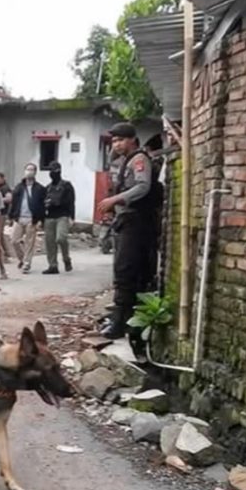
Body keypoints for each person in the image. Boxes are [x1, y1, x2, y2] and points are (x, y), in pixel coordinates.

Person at [97, 122, 160, 339]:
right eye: (114, 140)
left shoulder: (139, 159)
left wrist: (115, 199)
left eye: (120, 140)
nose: (117, 144)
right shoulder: (124, 161)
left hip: (138, 221)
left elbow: (143, 187)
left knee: (127, 271)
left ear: (132, 139)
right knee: (124, 271)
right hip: (127, 220)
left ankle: (122, 323)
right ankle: (122, 319)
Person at [9, 162, 46, 274]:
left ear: (35, 172)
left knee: (30, 242)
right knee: (14, 240)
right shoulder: (19, 187)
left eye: (32, 169)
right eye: (27, 169)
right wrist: (11, 216)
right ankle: (22, 259)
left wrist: (41, 220)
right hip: (19, 217)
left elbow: (42, 205)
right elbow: (14, 202)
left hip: (32, 218)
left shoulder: (39, 188)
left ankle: (27, 263)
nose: (29, 171)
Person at [42, 160, 76, 275]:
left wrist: (72, 217)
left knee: (61, 238)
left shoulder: (66, 185)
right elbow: (43, 203)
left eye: (55, 170)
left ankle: (66, 258)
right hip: (49, 217)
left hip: (63, 215)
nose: (53, 173)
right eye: (51, 171)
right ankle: (53, 266)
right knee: (50, 243)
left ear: (59, 171)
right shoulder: (48, 188)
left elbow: (71, 201)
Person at [0, 171, 14, 260]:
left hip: (2, 213)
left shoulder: (5, 188)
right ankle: (5, 253)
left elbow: (9, 199)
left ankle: (5, 254)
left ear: (2, 179)